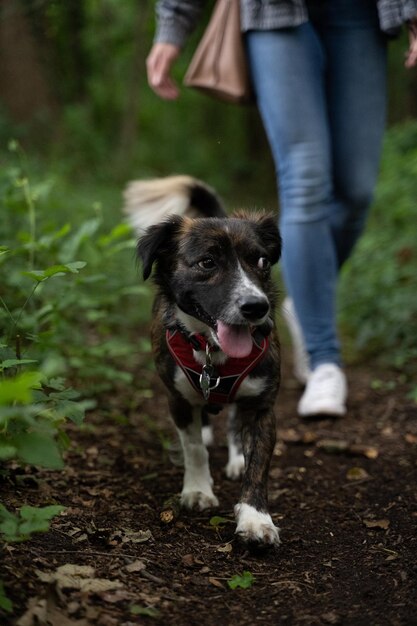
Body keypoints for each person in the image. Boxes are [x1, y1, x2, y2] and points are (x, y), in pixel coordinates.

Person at [146, 0, 417, 417]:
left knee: (356, 190)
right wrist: (173, 24)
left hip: (360, 13)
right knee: (306, 182)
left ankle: (303, 303)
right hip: (274, 11)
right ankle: (324, 359)